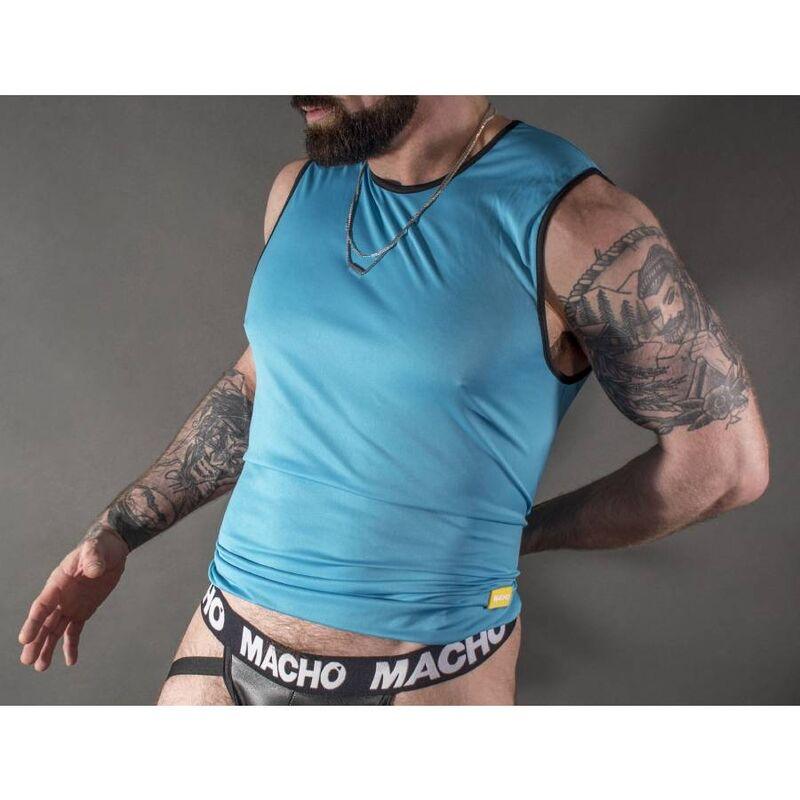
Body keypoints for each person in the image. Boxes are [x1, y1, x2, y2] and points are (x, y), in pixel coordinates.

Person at [18, 96, 769, 705]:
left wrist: (526, 534)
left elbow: (726, 465)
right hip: (224, 646)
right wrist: (120, 530)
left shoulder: (581, 226)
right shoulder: (298, 190)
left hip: (425, 678)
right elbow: (261, 386)